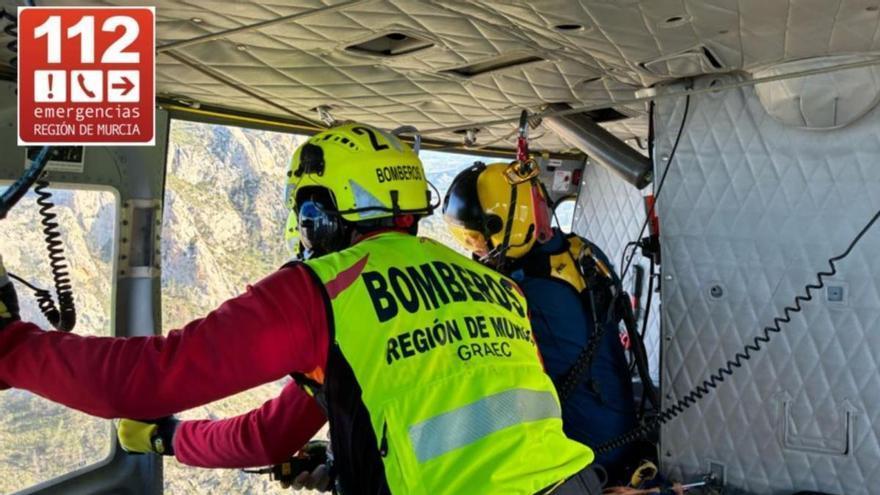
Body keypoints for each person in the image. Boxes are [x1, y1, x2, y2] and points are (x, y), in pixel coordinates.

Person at [0, 124, 600, 495]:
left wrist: (11, 346)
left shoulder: (321, 290)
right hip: (575, 483)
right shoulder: (496, 285)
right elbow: (455, 409)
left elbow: (143, 379)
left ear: (324, 214)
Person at [442, 161, 641, 485]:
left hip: (585, 459)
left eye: (476, 240)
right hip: (619, 432)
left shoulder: (519, 294)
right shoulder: (580, 252)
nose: (476, 254)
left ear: (506, 226)